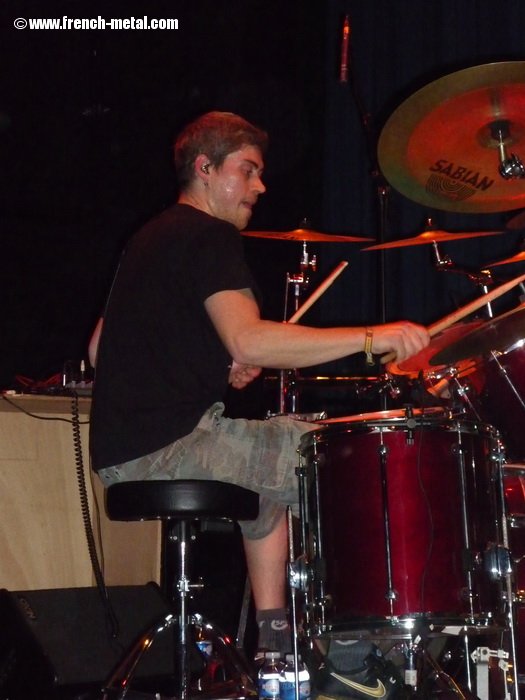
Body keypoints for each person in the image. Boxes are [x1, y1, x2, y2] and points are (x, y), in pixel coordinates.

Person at [89, 111, 430, 660]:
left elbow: (100, 350)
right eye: (247, 170)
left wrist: (209, 362)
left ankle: (275, 648)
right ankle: (357, 653)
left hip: (122, 454)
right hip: (173, 446)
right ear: (205, 168)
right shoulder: (209, 235)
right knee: (342, 459)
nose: (260, 186)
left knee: (269, 482)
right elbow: (249, 339)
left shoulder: (149, 237)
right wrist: (373, 336)